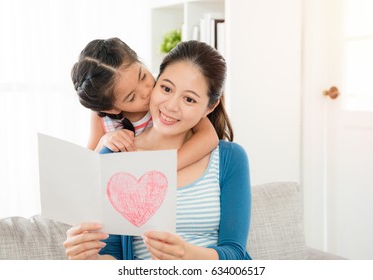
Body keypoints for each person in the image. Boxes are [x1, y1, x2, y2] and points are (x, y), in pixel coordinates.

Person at [63, 40, 252, 260]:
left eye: (189, 99)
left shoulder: (230, 158)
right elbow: (113, 255)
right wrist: (88, 259)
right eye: (166, 88)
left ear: (210, 107)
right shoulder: (116, 156)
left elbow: (236, 254)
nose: (171, 106)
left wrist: (187, 254)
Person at [71, 37, 218, 170]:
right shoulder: (102, 117)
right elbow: (88, 166)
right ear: (112, 109)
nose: (146, 91)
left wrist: (169, 166)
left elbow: (209, 137)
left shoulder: (166, 93)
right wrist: (104, 141)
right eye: (131, 97)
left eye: (142, 76)